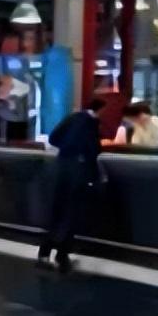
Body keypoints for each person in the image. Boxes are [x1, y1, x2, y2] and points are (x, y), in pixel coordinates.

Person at [37, 98, 106, 273]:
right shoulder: (91, 123)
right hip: (79, 172)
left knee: (57, 212)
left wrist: (67, 149)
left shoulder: (72, 117)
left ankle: (44, 254)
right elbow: (93, 150)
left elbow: (53, 138)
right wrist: (95, 176)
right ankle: (62, 255)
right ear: (100, 110)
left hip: (61, 168)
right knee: (72, 215)